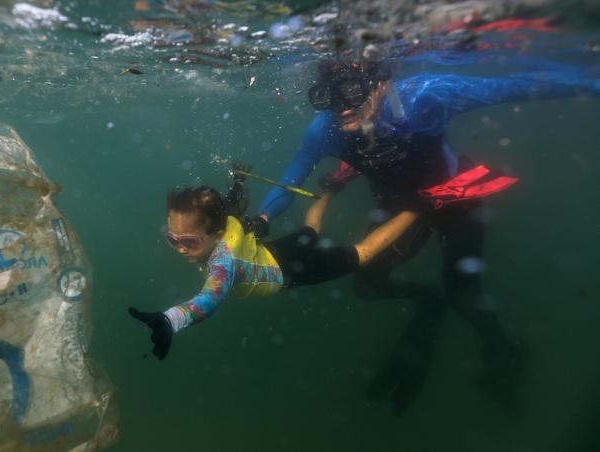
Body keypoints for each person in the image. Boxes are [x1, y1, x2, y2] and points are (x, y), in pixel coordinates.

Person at [253, 55, 600, 414]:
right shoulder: (324, 130)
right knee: (367, 285)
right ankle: (427, 299)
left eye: (352, 92)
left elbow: (518, 87)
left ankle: (507, 348)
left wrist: (592, 81)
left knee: (463, 295)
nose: (342, 109)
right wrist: (261, 219)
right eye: (329, 97)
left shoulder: (428, 97)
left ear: (381, 84)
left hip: (454, 200)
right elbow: (289, 181)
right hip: (399, 208)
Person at [129, 172, 419, 361]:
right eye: (172, 239)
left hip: (289, 272)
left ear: (216, 235)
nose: (180, 249)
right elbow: (227, 210)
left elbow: (210, 298)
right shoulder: (221, 221)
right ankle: (333, 186)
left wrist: (171, 319)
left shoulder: (223, 262)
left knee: (364, 254)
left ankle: (419, 207)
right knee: (310, 232)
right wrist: (237, 190)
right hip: (273, 253)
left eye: (189, 242)